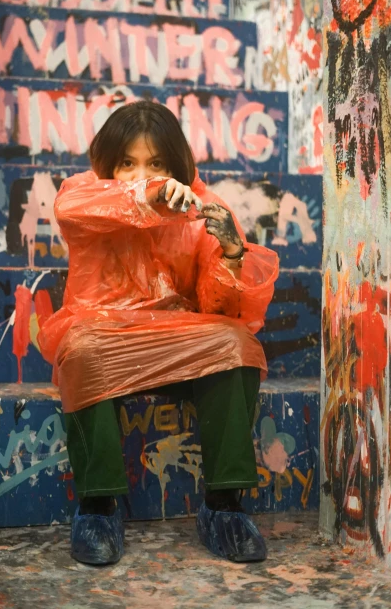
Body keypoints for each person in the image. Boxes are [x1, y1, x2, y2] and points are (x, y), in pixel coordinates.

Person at [38, 101, 279, 565]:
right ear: (108, 162)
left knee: (237, 345)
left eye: (155, 163)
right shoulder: (83, 193)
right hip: (105, 336)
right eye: (127, 162)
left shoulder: (200, 205)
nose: (139, 173)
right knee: (83, 349)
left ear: (178, 165)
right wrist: (147, 193)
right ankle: (98, 509)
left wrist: (231, 251)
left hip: (177, 338)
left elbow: (220, 308)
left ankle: (223, 508)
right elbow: (71, 209)